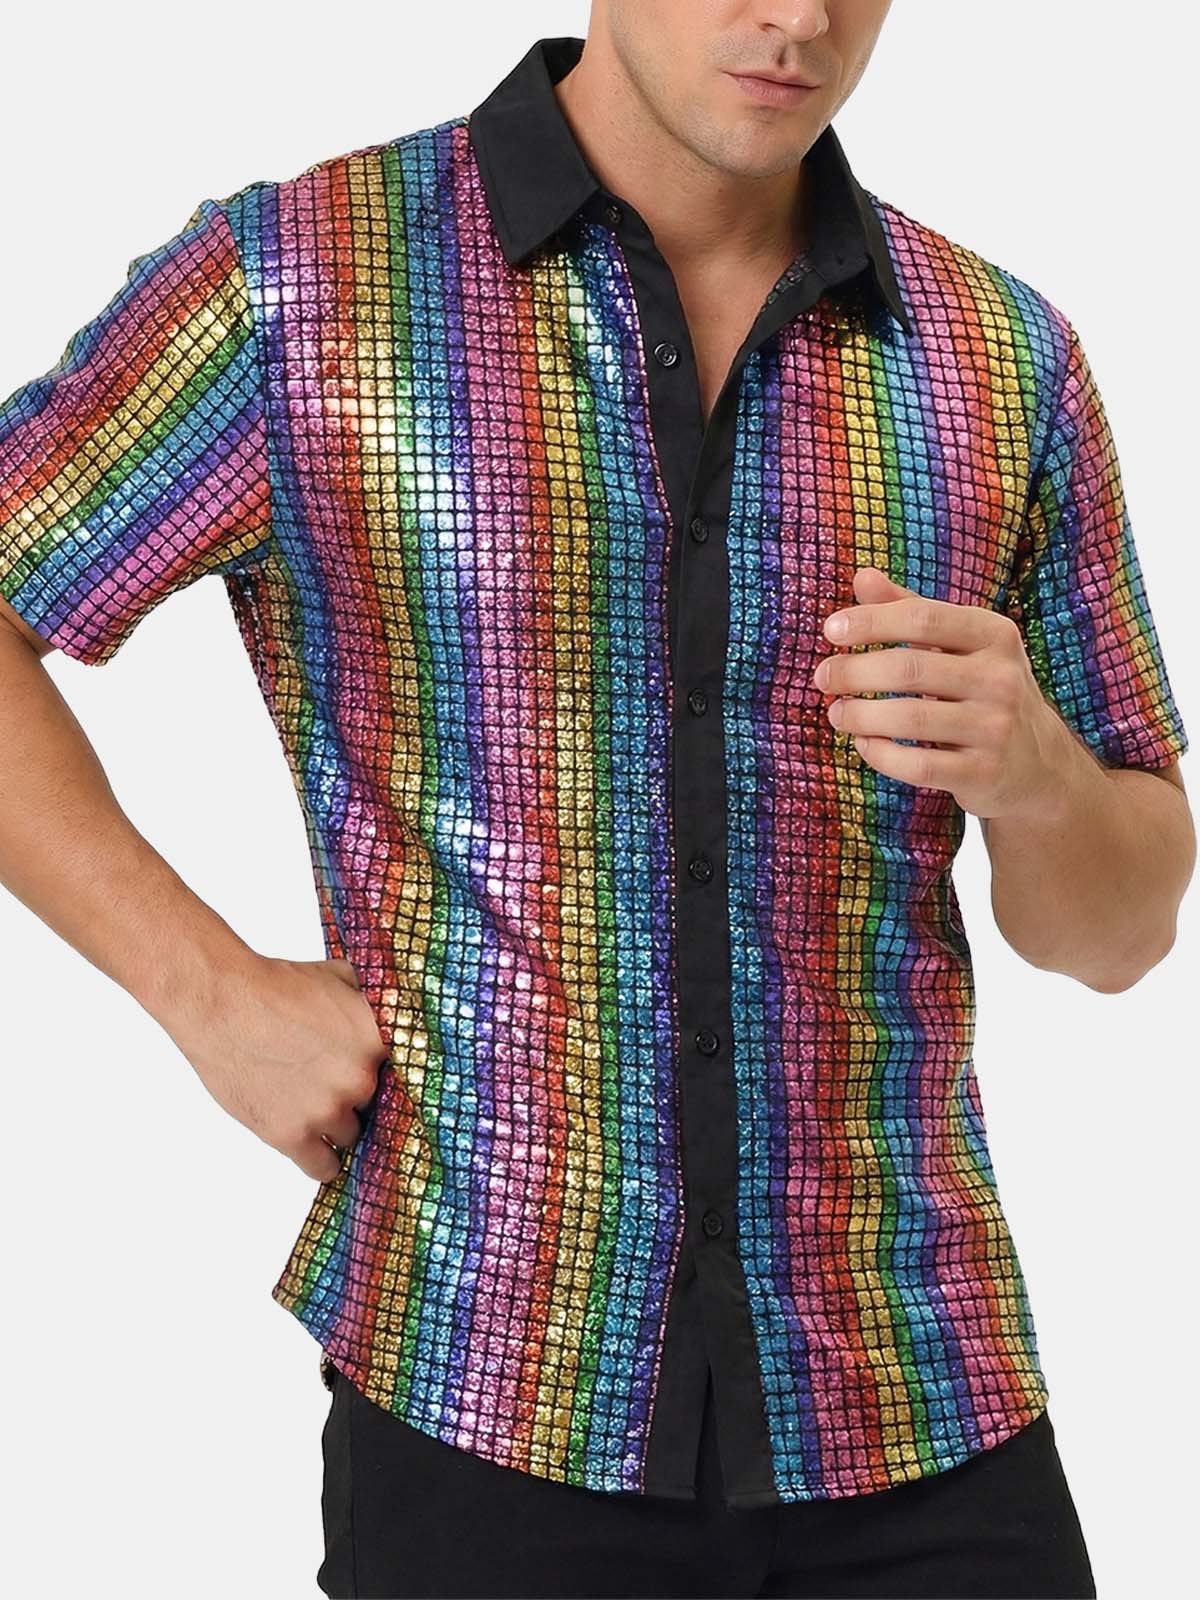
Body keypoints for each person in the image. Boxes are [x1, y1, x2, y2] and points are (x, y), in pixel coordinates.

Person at [0, 4, 1192, 1597]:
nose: (799, 17)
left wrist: (1038, 775)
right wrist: (203, 988)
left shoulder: (998, 356)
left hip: (916, 1395)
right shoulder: (304, 284)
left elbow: (1121, 934)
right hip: (489, 1392)